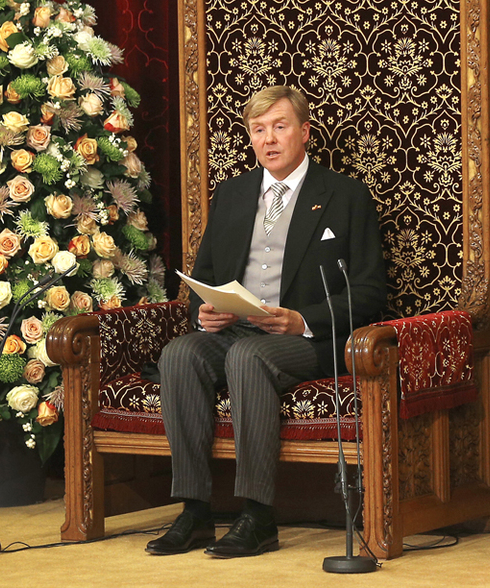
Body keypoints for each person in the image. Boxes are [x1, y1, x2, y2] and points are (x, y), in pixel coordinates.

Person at [145, 86, 386, 557]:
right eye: (258, 130)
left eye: (279, 127)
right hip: (236, 330)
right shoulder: (233, 194)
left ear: (305, 132)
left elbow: (370, 290)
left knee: (249, 356)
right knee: (179, 354)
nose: (268, 139)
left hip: (307, 339)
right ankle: (195, 512)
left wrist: (302, 320)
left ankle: (258, 516)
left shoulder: (345, 195)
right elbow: (204, 278)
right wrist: (204, 313)